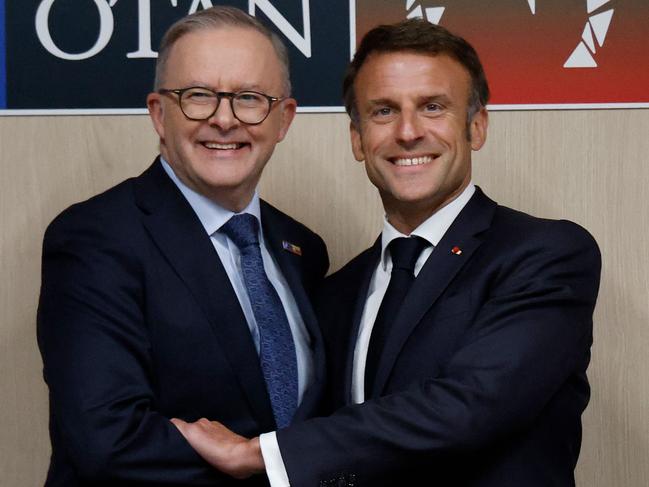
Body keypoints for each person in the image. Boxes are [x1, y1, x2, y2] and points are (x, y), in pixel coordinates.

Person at [172, 19, 601, 487]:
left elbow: (473, 405)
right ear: (357, 139)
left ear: (476, 126)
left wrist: (261, 453)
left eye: (433, 107)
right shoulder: (335, 293)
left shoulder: (545, 256)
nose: (408, 131)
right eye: (382, 112)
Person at [37, 6, 328, 486]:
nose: (224, 120)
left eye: (250, 98)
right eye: (198, 96)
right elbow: (108, 441)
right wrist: (271, 465)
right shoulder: (94, 239)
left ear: (283, 119)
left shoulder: (302, 249)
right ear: (158, 113)